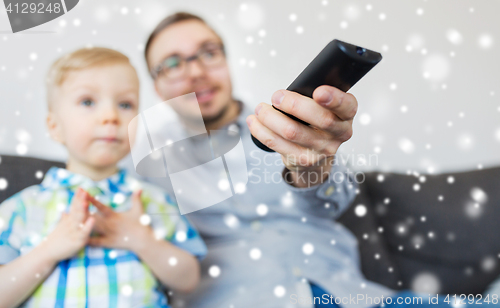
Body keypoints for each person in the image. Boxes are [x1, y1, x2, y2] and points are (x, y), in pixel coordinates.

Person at [120, 12, 393, 308]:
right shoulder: (143, 163)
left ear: (226, 63)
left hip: (351, 296)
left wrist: (312, 169)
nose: (196, 71)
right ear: (158, 88)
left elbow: (332, 205)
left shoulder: (291, 126)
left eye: (208, 53)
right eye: (172, 64)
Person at [0, 47, 206, 308]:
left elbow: (188, 279)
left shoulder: (152, 202)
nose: (111, 116)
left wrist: (141, 240)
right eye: (87, 102)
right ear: (55, 127)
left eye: (125, 104)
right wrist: (49, 250)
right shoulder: (23, 208)